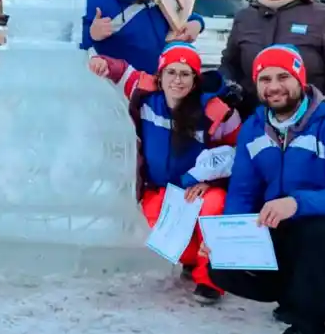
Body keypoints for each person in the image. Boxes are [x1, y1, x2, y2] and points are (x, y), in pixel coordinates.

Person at [207, 44, 325, 334]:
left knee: (318, 235)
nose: (273, 86)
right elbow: (243, 192)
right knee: (221, 268)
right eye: (265, 79)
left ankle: (309, 327)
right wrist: (229, 237)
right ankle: (299, 294)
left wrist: (297, 203)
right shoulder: (253, 128)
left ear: (300, 79)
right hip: (282, 224)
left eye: (283, 76)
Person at [89, 43, 241, 303]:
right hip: (159, 189)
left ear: (195, 79)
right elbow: (122, 71)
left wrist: (213, 181)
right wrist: (103, 63)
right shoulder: (147, 97)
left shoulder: (215, 110)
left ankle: (211, 279)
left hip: (199, 188)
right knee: (166, 237)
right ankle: (192, 262)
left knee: (213, 208)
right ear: (161, 75)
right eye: (171, 72)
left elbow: (236, 153)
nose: (177, 80)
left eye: (185, 73)